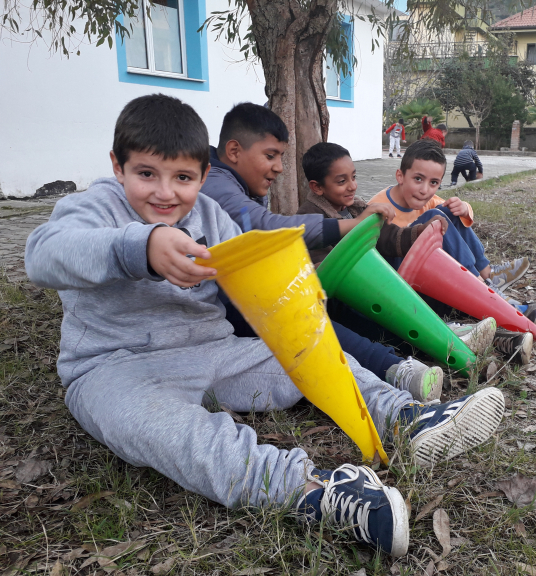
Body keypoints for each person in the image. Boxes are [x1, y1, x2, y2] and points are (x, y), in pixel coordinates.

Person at [24, 94, 508, 557]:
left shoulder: (211, 214)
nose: (165, 192)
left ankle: (404, 417)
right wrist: (139, 246)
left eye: (183, 177)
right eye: (147, 174)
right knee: (172, 432)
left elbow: (254, 273)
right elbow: (43, 254)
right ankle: (313, 492)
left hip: (213, 349)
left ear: (204, 175)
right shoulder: (95, 206)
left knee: (311, 353)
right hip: (115, 366)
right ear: (118, 166)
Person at [199, 102, 441, 401]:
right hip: (223, 313)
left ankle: (424, 345)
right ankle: (392, 367)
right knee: (300, 309)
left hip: (234, 299)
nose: (279, 167)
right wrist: (349, 225)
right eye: (270, 156)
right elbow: (263, 227)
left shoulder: (231, 181)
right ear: (234, 151)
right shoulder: (216, 183)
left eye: (281, 156)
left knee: (325, 303)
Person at [296, 141, 498, 358]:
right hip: (361, 300)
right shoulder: (310, 220)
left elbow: (388, 236)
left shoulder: (355, 207)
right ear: (317, 187)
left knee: (438, 219)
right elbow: (326, 269)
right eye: (342, 181)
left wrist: (419, 232)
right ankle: (460, 325)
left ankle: (481, 299)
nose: (352, 186)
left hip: (382, 286)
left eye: (354, 177)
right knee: (399, 325)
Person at [368, 139, 536, 328]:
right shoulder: (378, 208)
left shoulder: (427, 199)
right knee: (434, 217)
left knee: (449, 209)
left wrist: (464, 208)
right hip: (401, 286)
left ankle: (487, 273)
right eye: (418, 179)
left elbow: (453, 211)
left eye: (433, 183)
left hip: (428, 273)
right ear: (400, 176)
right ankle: (492, 295)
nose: (424, 190)